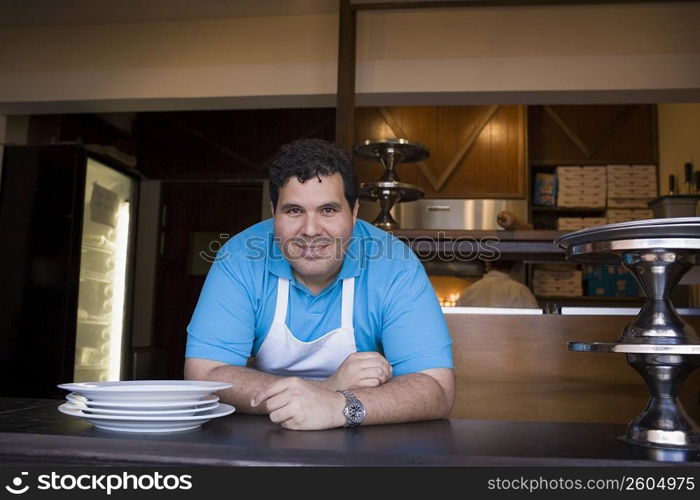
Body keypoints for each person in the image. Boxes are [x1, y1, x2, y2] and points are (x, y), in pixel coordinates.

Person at [184, 138, 454, 431]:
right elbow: (204, 374)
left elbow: (436, 388)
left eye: (328, 210)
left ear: (353, 212)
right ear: (274, 211)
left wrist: (338, 406)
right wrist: (326, 388)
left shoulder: (395, 265)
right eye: (294, 211)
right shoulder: (239, 257)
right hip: (263, 440)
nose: (310, 231)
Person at [456, 260, 539, 308]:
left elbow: (455, 326)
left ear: (487, 263)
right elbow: (536, 325)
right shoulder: (520, 292)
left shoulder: (469, 292)